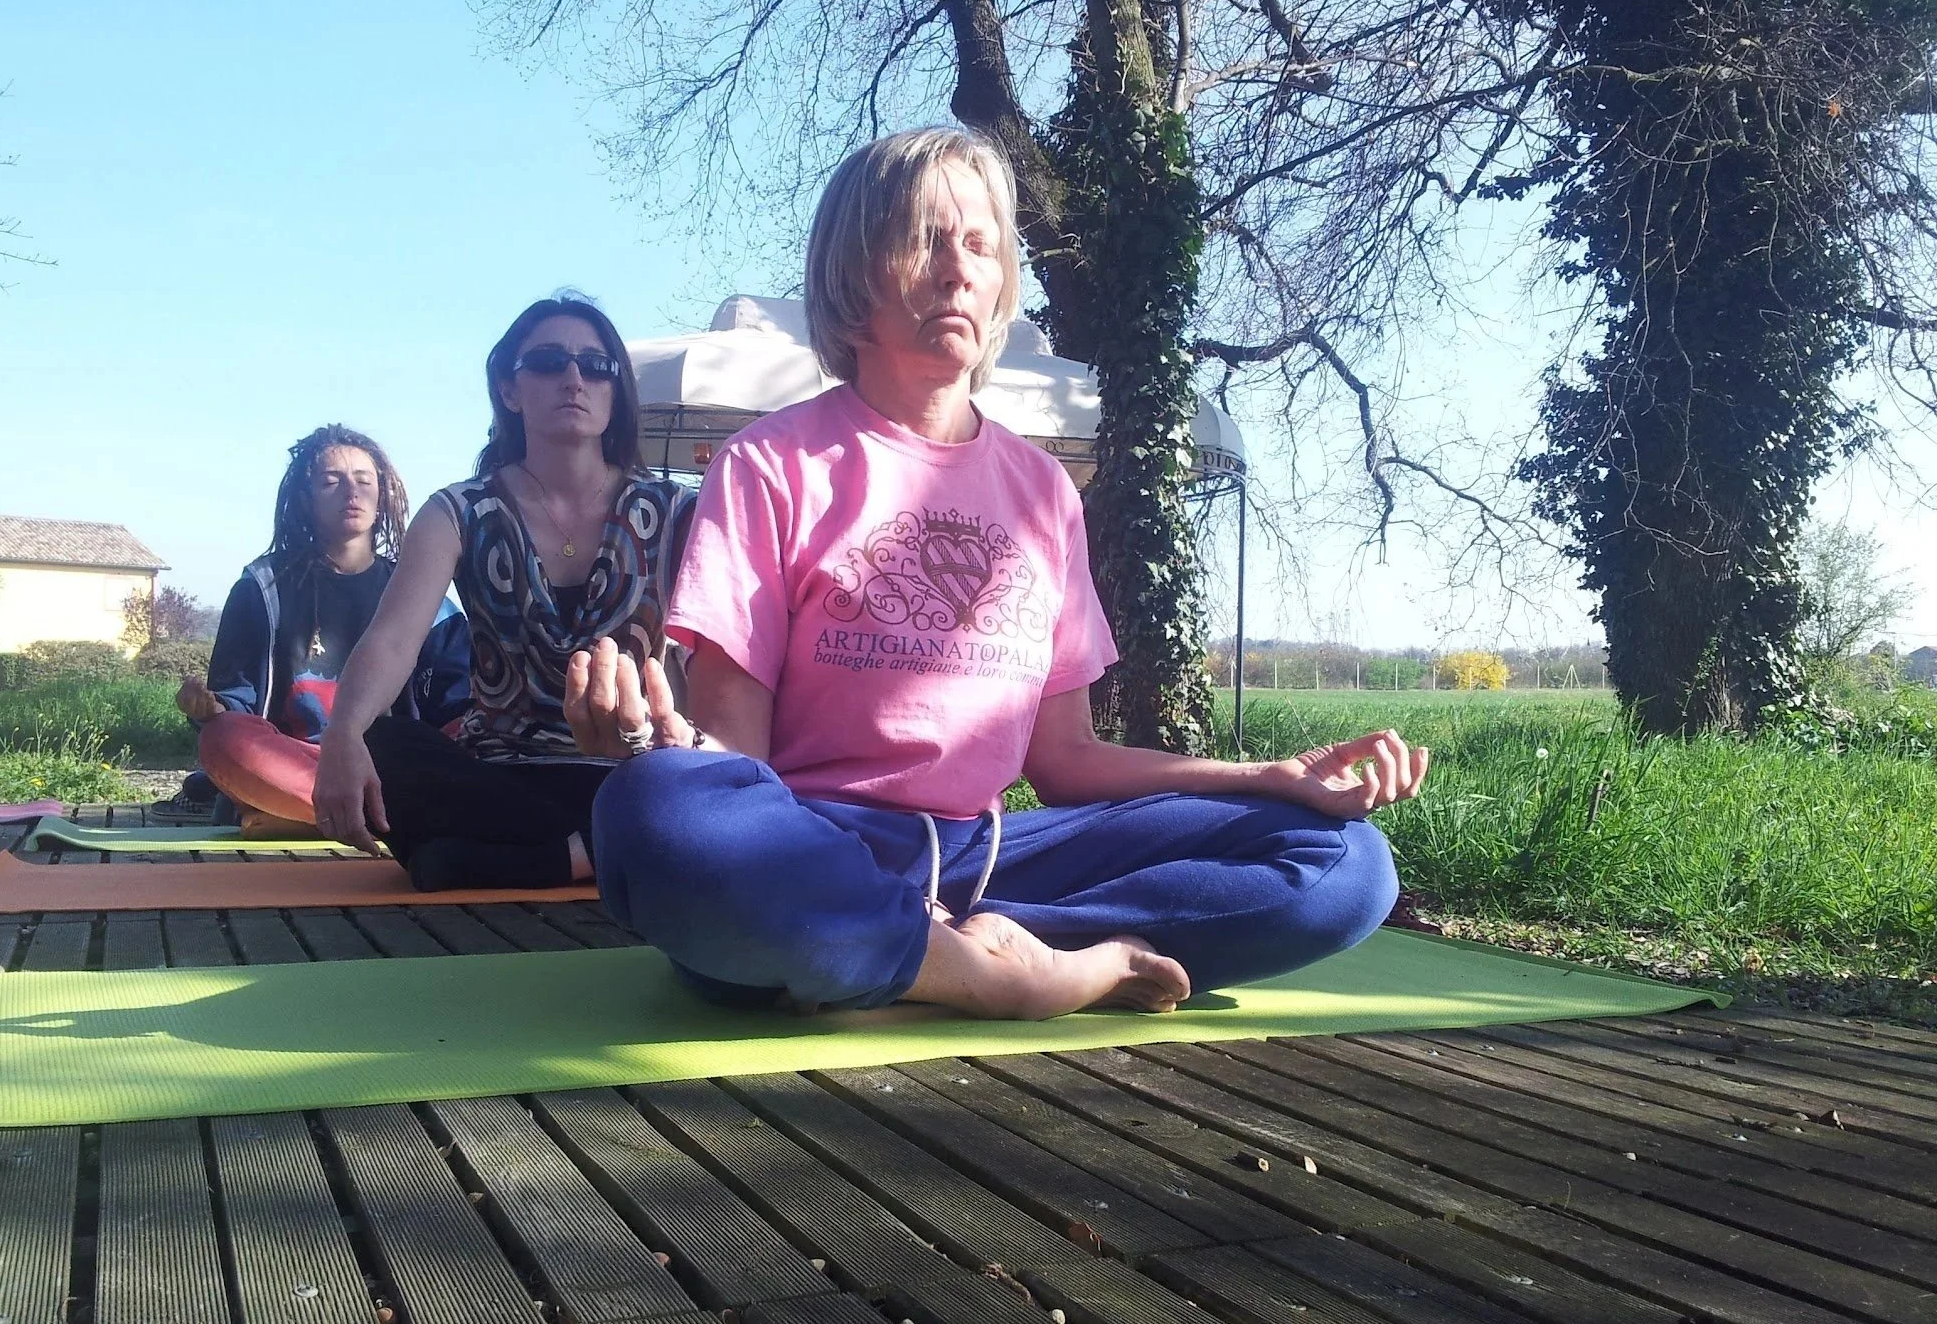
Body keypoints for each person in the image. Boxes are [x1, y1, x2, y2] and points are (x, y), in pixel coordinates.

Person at [577, 128, 1431, 1021]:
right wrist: (651, 742)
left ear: (1000, 284)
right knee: (655, 810)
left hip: (991, 860)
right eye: (923, 239)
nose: (956, 271)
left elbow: (1064, 762)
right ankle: (1018, 974)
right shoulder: (769, 466)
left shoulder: (1043, 491)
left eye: (978, 244)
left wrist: (1270, 774)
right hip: (813, 842)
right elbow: (735, 761)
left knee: (1345, 863)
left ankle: (915, 950)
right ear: (853, 273)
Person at [310, 292, 695, 889]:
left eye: (595, 366)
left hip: (635, 768)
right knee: (384, 744)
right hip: (504, 776)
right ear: (509, 389)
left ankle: (537, 861)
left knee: (696, 785)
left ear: (615, 391)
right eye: (547, 362)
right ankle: (595, 853)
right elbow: (392, 642)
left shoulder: (679, 512)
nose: (573, 377)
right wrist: (342, 735)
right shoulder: (458, 512)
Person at [175, 426, 469, 834]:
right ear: (303, 498)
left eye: (364, 480)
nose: (351, 491)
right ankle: (373, 818)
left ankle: (302, 818)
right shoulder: (261, 589)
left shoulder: (421, 585)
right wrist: (211, 711)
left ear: (382, 494)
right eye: (332, 481)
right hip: (298, 764)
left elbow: (457, 705)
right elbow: (238, 702)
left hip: (393, 769)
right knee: (223, 739)